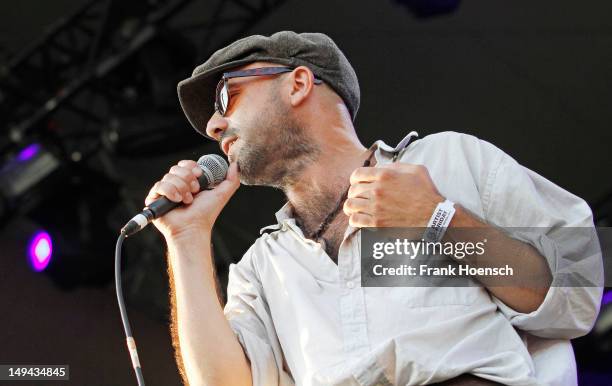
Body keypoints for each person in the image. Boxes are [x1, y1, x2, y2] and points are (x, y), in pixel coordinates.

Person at [144, 31, 603, 385]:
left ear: (298, 83)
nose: (213, 124)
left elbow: (576, 292)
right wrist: (186, 240)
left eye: (227, 94)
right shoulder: (262, 270)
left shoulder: (449, 161)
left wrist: (439, 218)